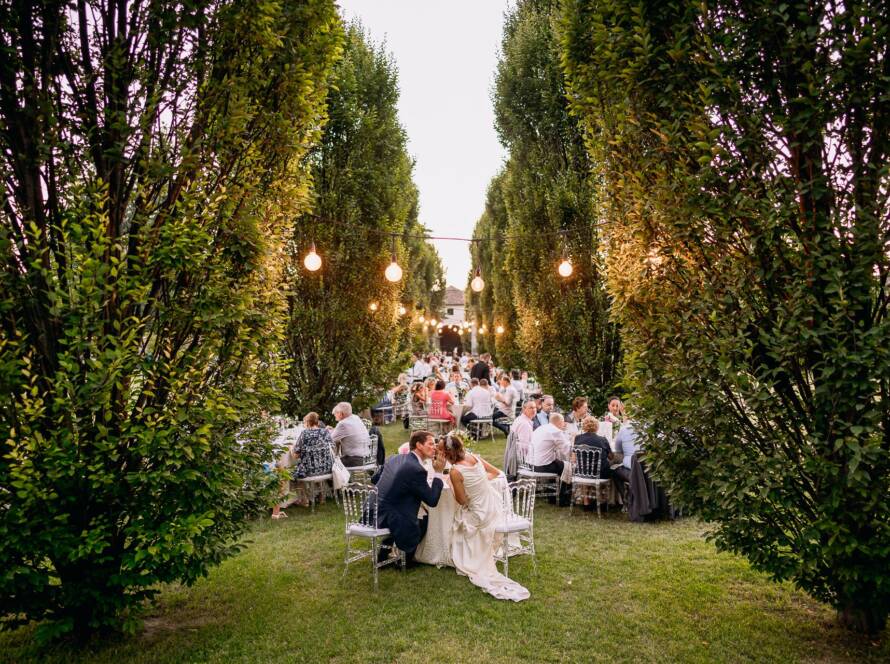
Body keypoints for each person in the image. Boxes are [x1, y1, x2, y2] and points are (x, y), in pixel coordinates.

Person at [441, 434, 530, 601]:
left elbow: (462, 500)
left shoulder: (455, 472)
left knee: (459, 522)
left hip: (480, 513)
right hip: (493, 505)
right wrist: (479, 485)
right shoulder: (473, 457)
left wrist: (451, 483)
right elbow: (496, 472)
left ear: (446, 453)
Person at [372, 430, 445, 566]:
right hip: (389, 517)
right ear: (419, 445)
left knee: (415, 509)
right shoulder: (416, 469)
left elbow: (375, 479)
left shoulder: (394, 458)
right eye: (430, 443)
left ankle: (383, 555)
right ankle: (406, 560)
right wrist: (439, 473)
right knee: (423, 516)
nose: (434, 447)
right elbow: (432, 500)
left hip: (373, 511)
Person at [291, 411, 334, 480]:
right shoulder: (325, 432)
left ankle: (303, 490)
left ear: (307, 422)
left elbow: (296, 456)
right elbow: (332, 449)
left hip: (309, 472)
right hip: (327, 469)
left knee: (290, 470)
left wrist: (291, 448)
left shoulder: (304, 433)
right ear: (317, 422)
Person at [528, 412, 571, 478]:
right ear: (560, 422)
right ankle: (564, 488)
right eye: (563, 422)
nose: (564, 425)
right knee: (568, 466)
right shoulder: (556, 431)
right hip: (542, 466)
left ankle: (552, 485)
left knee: (559, 462)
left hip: (530, 464)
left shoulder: (540, 428)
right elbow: (568, 450)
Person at [330, 402, 371, 468]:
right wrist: (334, 430)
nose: (334, 415)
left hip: (354, 460)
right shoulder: (356, 418)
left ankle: (335, 478)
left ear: (341, 414)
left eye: (335, 413)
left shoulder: (343, 424)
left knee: (331, 464)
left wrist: (326, 432)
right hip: (366, 457)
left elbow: (330, 439)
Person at [612, 420, 641, 484]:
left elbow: (618, 449)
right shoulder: (646, 428)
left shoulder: (623, 429)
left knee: (613, 470)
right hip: (646, 468)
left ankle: (624, 493)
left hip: (631, 468)